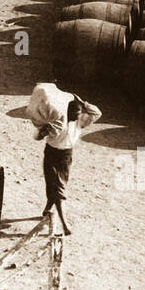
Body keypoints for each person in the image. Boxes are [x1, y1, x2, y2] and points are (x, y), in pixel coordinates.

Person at [26, 82, 103, 235]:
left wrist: (82, 102)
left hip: (66, 157)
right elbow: (37, 136)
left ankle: (55, 215)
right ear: (67, 112)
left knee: (57, 188)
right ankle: (60, 219)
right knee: (55, 187)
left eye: (79, 111)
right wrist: (42, 132)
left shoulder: (80, 122)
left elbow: (96, 113)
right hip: (52, 155)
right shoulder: (57, 123)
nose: (77, 114)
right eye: (75, 112)